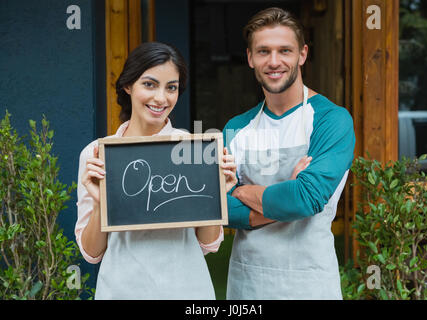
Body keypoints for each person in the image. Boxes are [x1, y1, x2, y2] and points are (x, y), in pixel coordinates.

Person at [75, 42, 237, 299]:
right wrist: (99, 204)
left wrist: (215, 196)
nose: (161, 98)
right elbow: (92, 253)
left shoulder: (193, 149)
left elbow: (208, 244)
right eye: (149, 84)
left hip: (186, 290)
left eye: (171, 87)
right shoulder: (96, 154)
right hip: (121, 290)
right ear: (128, 85)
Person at [223, 7, 355, 299]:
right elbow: (219, 210)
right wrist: (288, 194)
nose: (274, 62)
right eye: (263, 51)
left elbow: (305, 199)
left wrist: (241, 191)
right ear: (250, 58)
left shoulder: (332, 120)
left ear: (302, 55)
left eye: (284, 50)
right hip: (248, 285)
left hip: (309, 284)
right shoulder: (235, 128)